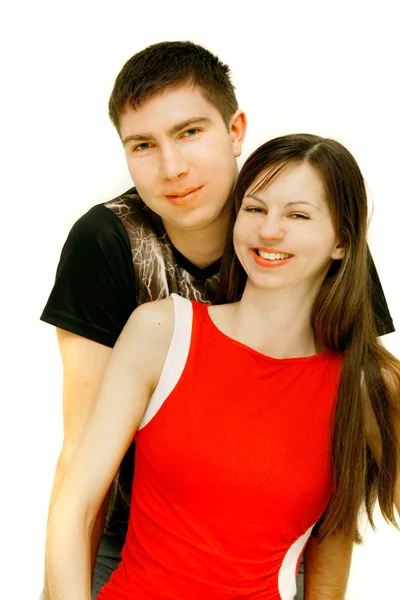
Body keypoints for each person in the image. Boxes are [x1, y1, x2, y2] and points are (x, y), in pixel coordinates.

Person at [40, 42, 394, 599]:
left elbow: (341, 442)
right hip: (134, 535)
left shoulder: (307, 232)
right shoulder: (108, 243)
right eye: (143, 145)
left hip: (268, 542)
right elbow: (80, 457)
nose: (172, 168)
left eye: (189, 132)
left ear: (235, 131)